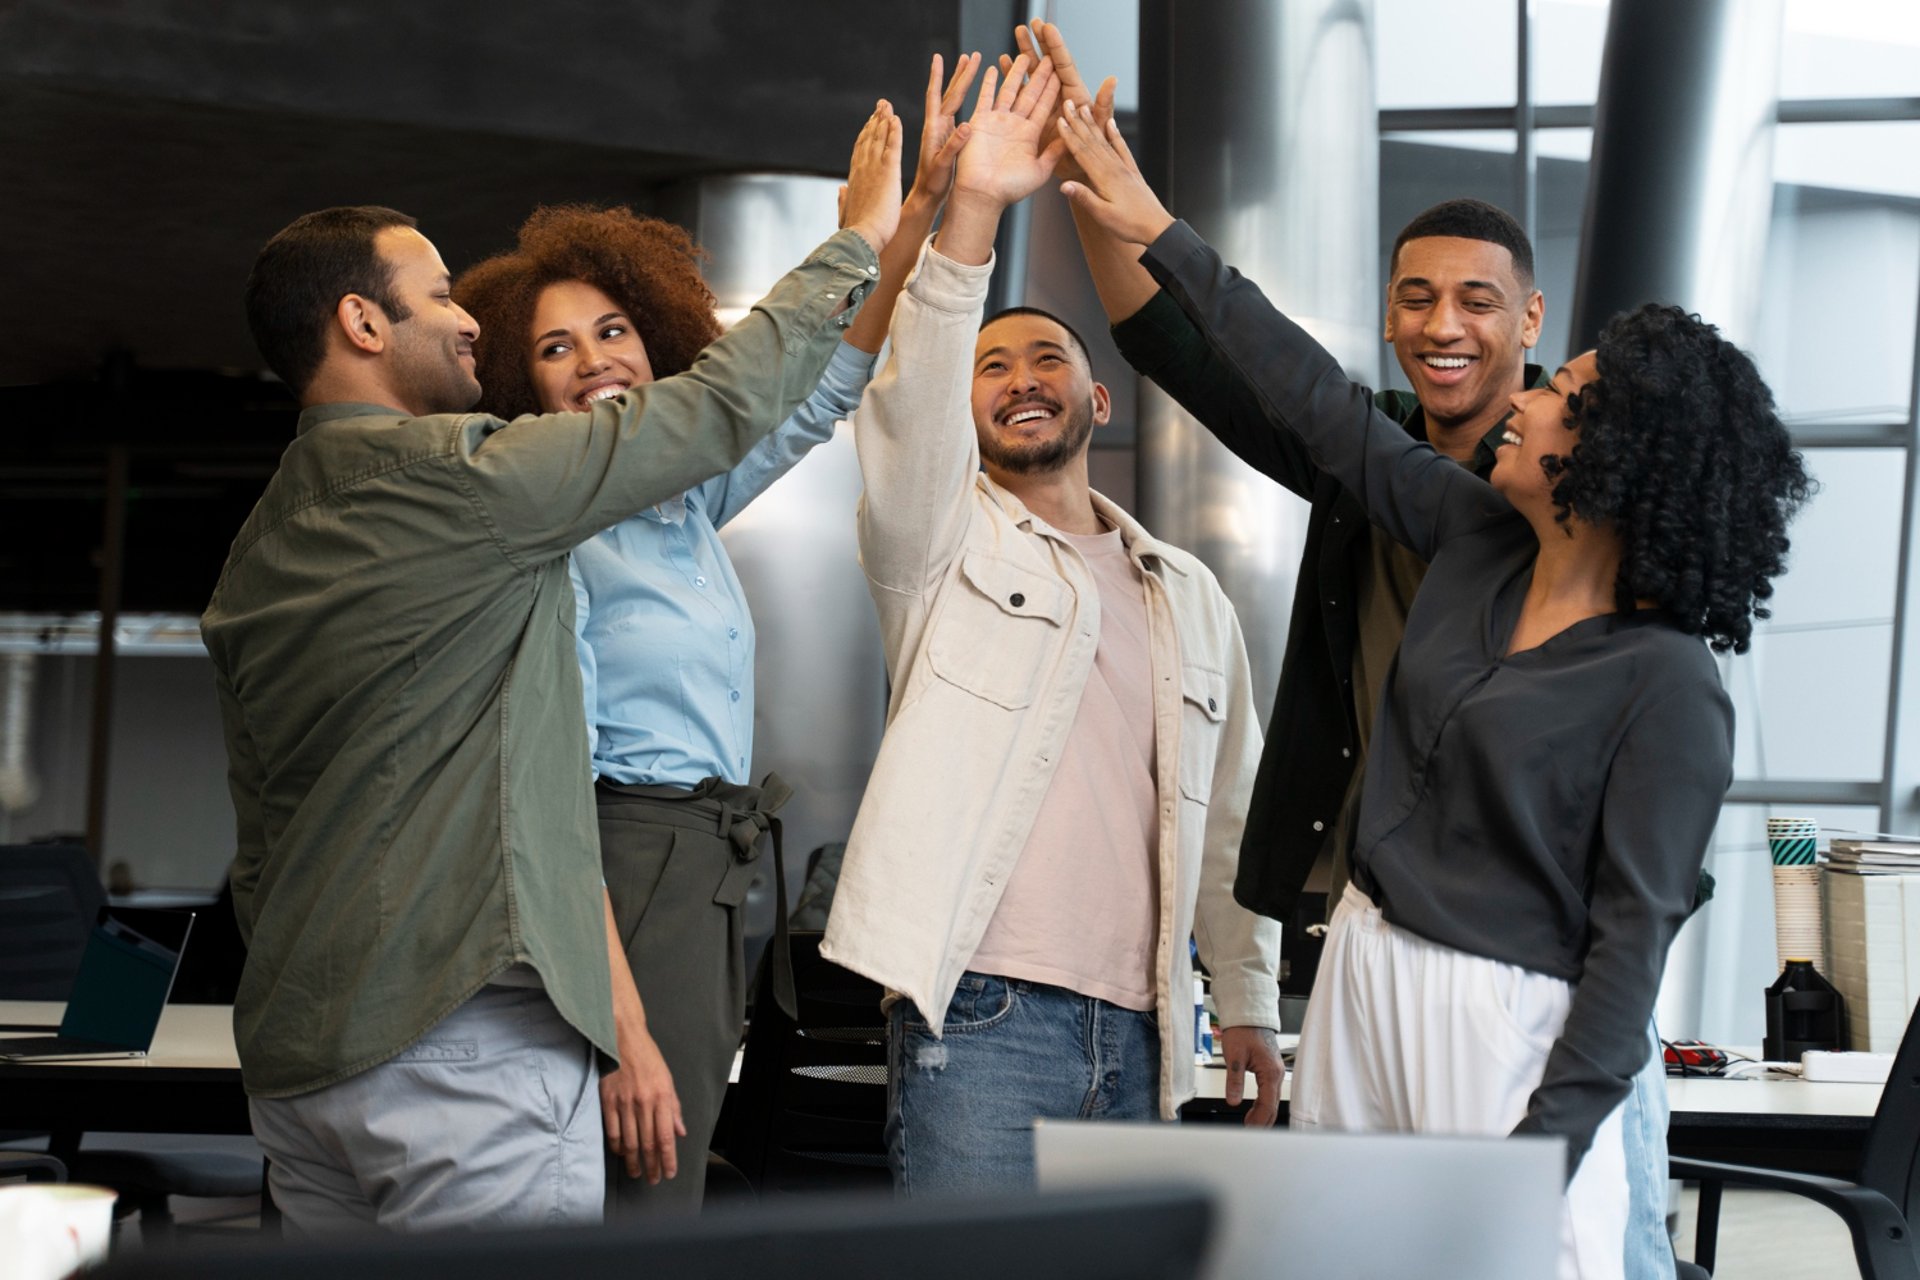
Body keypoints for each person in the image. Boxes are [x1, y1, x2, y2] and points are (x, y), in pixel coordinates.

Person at [1052, 97, 1811, 1278]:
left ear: (1610, 457)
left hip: (1504, 1024)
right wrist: (1157, 225)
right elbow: (1310, 396)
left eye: (1565, 393)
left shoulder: (1668, 685)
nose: (1530, 395)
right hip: (1361, 965)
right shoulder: (1468, 534)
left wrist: (1542, 1155)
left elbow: (1625, 958)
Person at [201, 106, 902, 1233]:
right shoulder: (476, 486)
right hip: (460, 1042)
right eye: (437, 296)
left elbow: (262, 837)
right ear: (361, 322)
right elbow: (724, 405)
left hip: (305, 1059)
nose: (466, 317)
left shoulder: (259, 548)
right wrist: (859, 232)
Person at [450, 55, 980, 1215]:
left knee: (656, 1185)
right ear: (519, 383)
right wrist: (624, 1023)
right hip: (615, 865)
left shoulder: (679, 497)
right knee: (637, 1189)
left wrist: (916, 216)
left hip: (702, 871)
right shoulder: (557, 537)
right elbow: (543, 796)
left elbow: (830, 377)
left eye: (614, 329)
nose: (597, 358)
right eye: (556, 348)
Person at [820, 55, 1283, 1198]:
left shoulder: (1186, 591)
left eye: (1047, 360)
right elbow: (909, 395)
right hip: (981, 1010)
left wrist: (1249, 1005)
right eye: (992, 368)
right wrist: (968, 208)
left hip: (1146, 1031)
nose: (1020, 380)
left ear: (1101, 399)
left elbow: (1232, 821)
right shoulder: (935, 543)